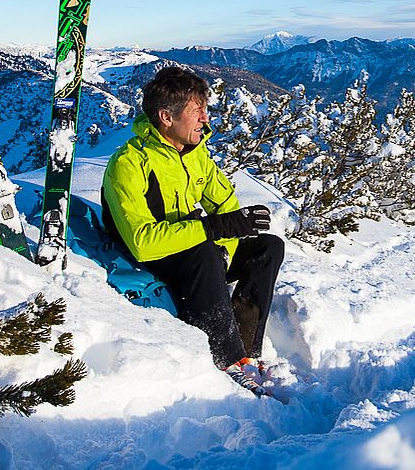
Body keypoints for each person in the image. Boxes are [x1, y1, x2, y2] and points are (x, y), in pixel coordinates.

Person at [102, 65, 285, 394]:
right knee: (204, 252)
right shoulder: (128, 164)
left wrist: (224, 249)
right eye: (196, 111)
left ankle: (246, 350)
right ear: (167, 118)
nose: (205, 118)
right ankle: (226, 357)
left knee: (267, 247)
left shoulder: (194, 155)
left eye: (205, 109)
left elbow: (226, 207)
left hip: (194, 248)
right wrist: (213, 233)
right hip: (154, 255)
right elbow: (143, 242)